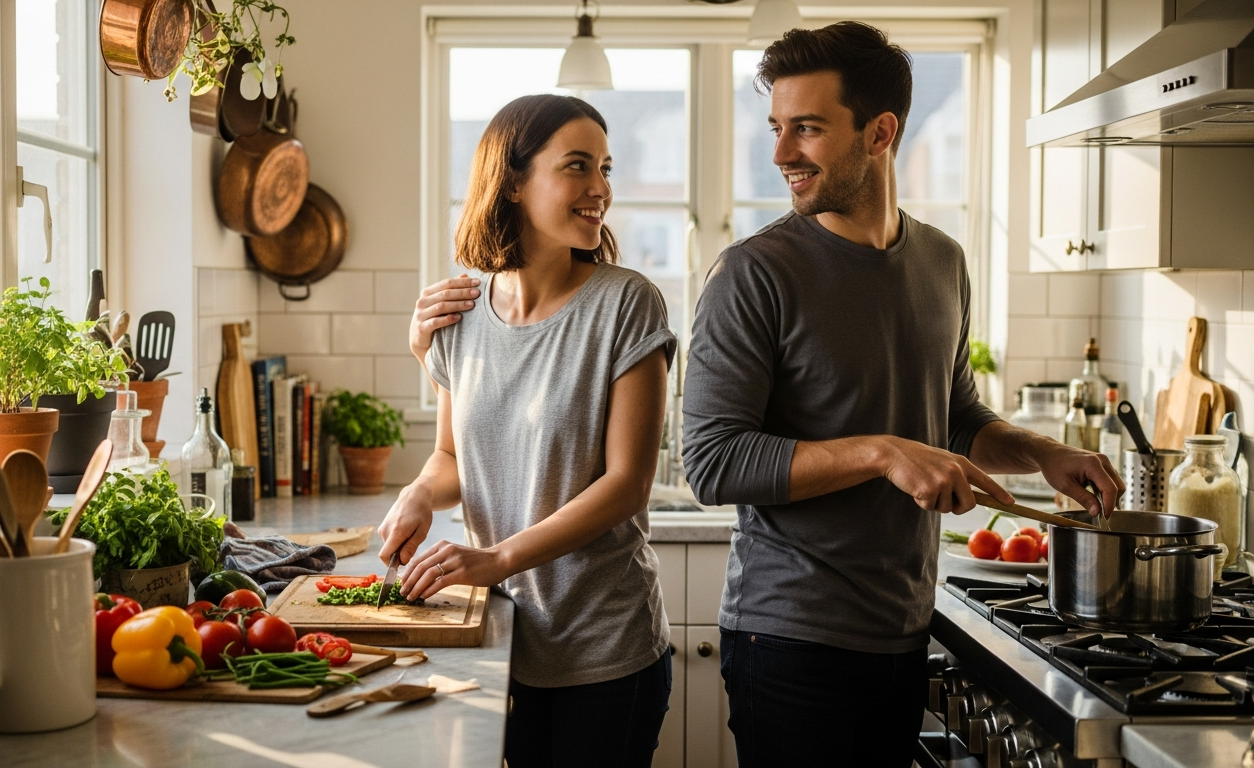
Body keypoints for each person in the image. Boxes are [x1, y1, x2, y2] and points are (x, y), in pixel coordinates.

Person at [680, 22, 1124, 768]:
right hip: (790, 637)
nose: (782, 152)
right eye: (777, 128)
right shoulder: (753, 274)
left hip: (907, 628)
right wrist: (885, 453)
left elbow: (953, 416)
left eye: (808, 128)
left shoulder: (943, 262)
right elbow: (713, 463)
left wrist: (1043, 452)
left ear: (880, 132)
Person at [383, 93, 677, 768]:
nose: (600, 188)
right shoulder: (459, 313)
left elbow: (628, 485)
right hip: (502, 642)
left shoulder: (626, 302)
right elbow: (453, 458)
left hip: (604, 654)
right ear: (513, 181)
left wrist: (494, 560)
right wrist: (421, 495)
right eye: (578, 167)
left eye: (605, 168)